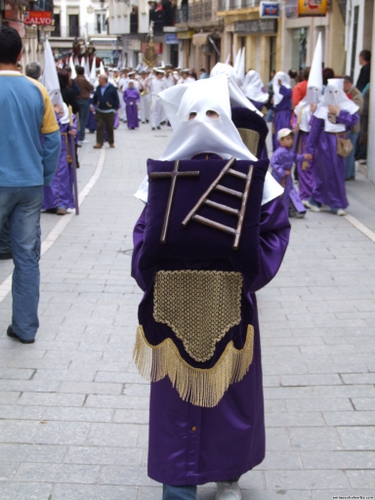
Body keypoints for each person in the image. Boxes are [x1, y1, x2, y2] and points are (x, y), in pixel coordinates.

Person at [132, 75, 290, 500]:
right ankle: (178, 486)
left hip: (231, 307)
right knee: (176, 401)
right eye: (193, 114)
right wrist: (156, 275)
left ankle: (228, 474)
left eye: (213, 114)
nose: (203, 122)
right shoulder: (162, 179)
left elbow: (274, 232)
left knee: (230, 398)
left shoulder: (256, 181)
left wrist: (244, 274)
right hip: (172, 310)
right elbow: (143, 235)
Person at [0, 26, 60, 343]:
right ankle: (24, 328)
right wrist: (44, 177)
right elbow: (52, 140)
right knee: (26, 258)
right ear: (20, 56)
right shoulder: (37, 90)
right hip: (29, 184)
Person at [305, 78, 359, 216]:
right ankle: (335, 204)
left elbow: (353, 122)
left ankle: (316, 200)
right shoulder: (322, 108)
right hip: (324, 144)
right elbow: (315, 130)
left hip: (340, 142)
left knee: (337, 173)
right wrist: (310, 149)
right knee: (326, 173)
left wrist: (339, 112)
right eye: (330, 91)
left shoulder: (347, 105)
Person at [271, 129, 311, 218]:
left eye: (291, 138)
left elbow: (296, 157)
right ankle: (278, 212)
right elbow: (273, 163)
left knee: (288, 193)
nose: (291, 141)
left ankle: (286, 211)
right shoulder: (278, 152)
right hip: (279, 177)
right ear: (281, 140)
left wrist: (304, 157)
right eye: (288, 139)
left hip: (287, 177)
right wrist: (282, 172)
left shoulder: (289, 151)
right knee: (279, 194)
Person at [343, 75, 363, 180]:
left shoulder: (355, 93)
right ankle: (350, 174)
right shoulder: (347, 93)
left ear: (348, 84)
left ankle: (348, 175)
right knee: (348, 151)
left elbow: (357, 108)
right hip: (348, 126)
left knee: (349, 152)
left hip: (353, 127)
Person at [91, 73, 119, 148]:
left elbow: (116, 99)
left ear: (104, 80)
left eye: (99, 79)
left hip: (109, 111)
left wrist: (115, 108)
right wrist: (92, 104)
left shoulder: (112, 88)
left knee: (110, 127)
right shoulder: (98, 88)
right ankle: (99, 142)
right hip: (99, 110)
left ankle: (111, 141)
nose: (98, 80)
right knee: (99, 126)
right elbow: (95, 97)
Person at [272, 71, 292, 151]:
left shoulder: (287, 89)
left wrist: (281, 86)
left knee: (284, 132)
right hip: (277, 115)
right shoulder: (276, 91)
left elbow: (287, 94)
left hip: (285, 114)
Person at [74, 65, 94, 144]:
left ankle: (78, 135)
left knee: (78, 119)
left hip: (76, 100)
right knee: (83, 120)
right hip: (84, 100)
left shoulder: (75, 80)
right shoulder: (83, 80)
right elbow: (91, 87)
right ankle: (81, 137)